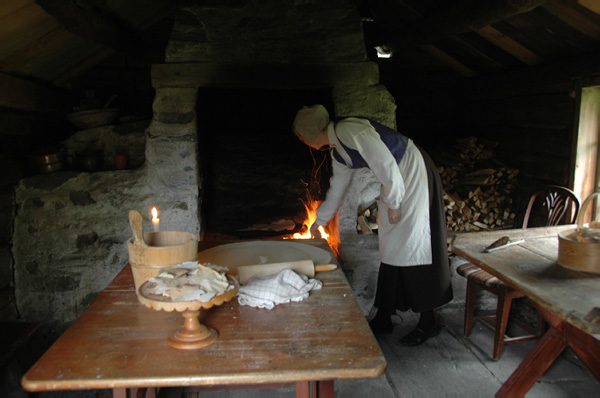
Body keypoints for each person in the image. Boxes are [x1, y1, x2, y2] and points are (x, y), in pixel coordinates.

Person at [292, 104, 453, 346]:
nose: (302, 140)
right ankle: (384, 317)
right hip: (395, 180)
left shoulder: (349, 129)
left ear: (310, 131)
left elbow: (385, 163)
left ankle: (429, 322)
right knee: (390, 244)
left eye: (301, 135)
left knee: (413, 245)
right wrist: (319, 222)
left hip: (411, 170)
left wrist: (394, 201)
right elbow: (336, 191)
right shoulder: (338, 151)